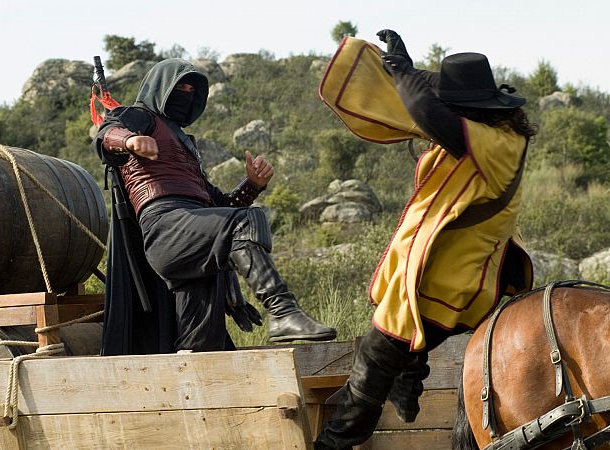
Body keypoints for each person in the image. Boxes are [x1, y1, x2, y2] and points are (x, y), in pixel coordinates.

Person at [314, 30, 536, 449]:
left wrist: (404, 74)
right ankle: (409, 380)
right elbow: (430, 102)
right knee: (394, 339)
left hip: (454, 281)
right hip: (444, 272)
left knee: (376, 354)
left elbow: (423, 108)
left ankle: (337, 440)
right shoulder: (496, 132)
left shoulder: (492, 144)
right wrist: (407, 67)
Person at [94, 58, 336, 354]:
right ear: (161, 87)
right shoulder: (140, 117)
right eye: (180, 86)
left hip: (193, 237)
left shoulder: (186, 147)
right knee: (245, 220)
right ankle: (284, 311)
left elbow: (220, 205)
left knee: (203, 345)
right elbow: (106, 133)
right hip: (166, 227)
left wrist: (253, 185)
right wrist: (130, 140)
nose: (187, 93)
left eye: (192, 90)